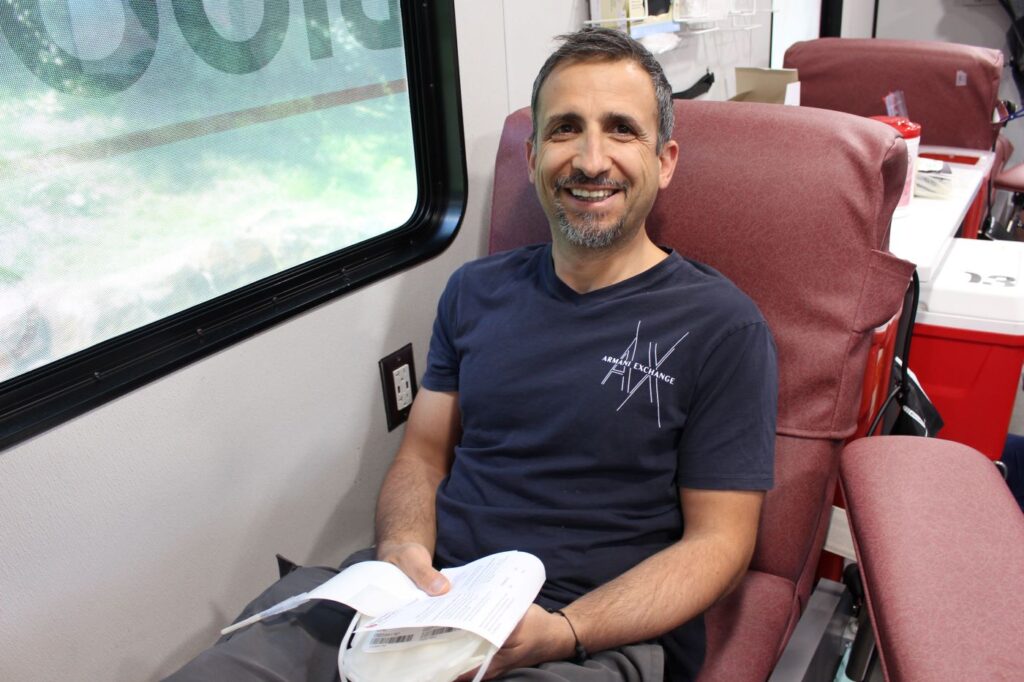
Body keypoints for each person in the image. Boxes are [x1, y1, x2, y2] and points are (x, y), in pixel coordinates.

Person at [166, 26, 777, 682]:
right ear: (536, 151)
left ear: (665, 160)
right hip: (423, 601)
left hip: (585, 633)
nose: (592, 160)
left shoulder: (722, 326)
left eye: (622, 130)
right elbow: (423, 456)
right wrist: (402, 545)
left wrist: (565, 631)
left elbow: (721, 543)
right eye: (567, 129)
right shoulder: (474, 291)